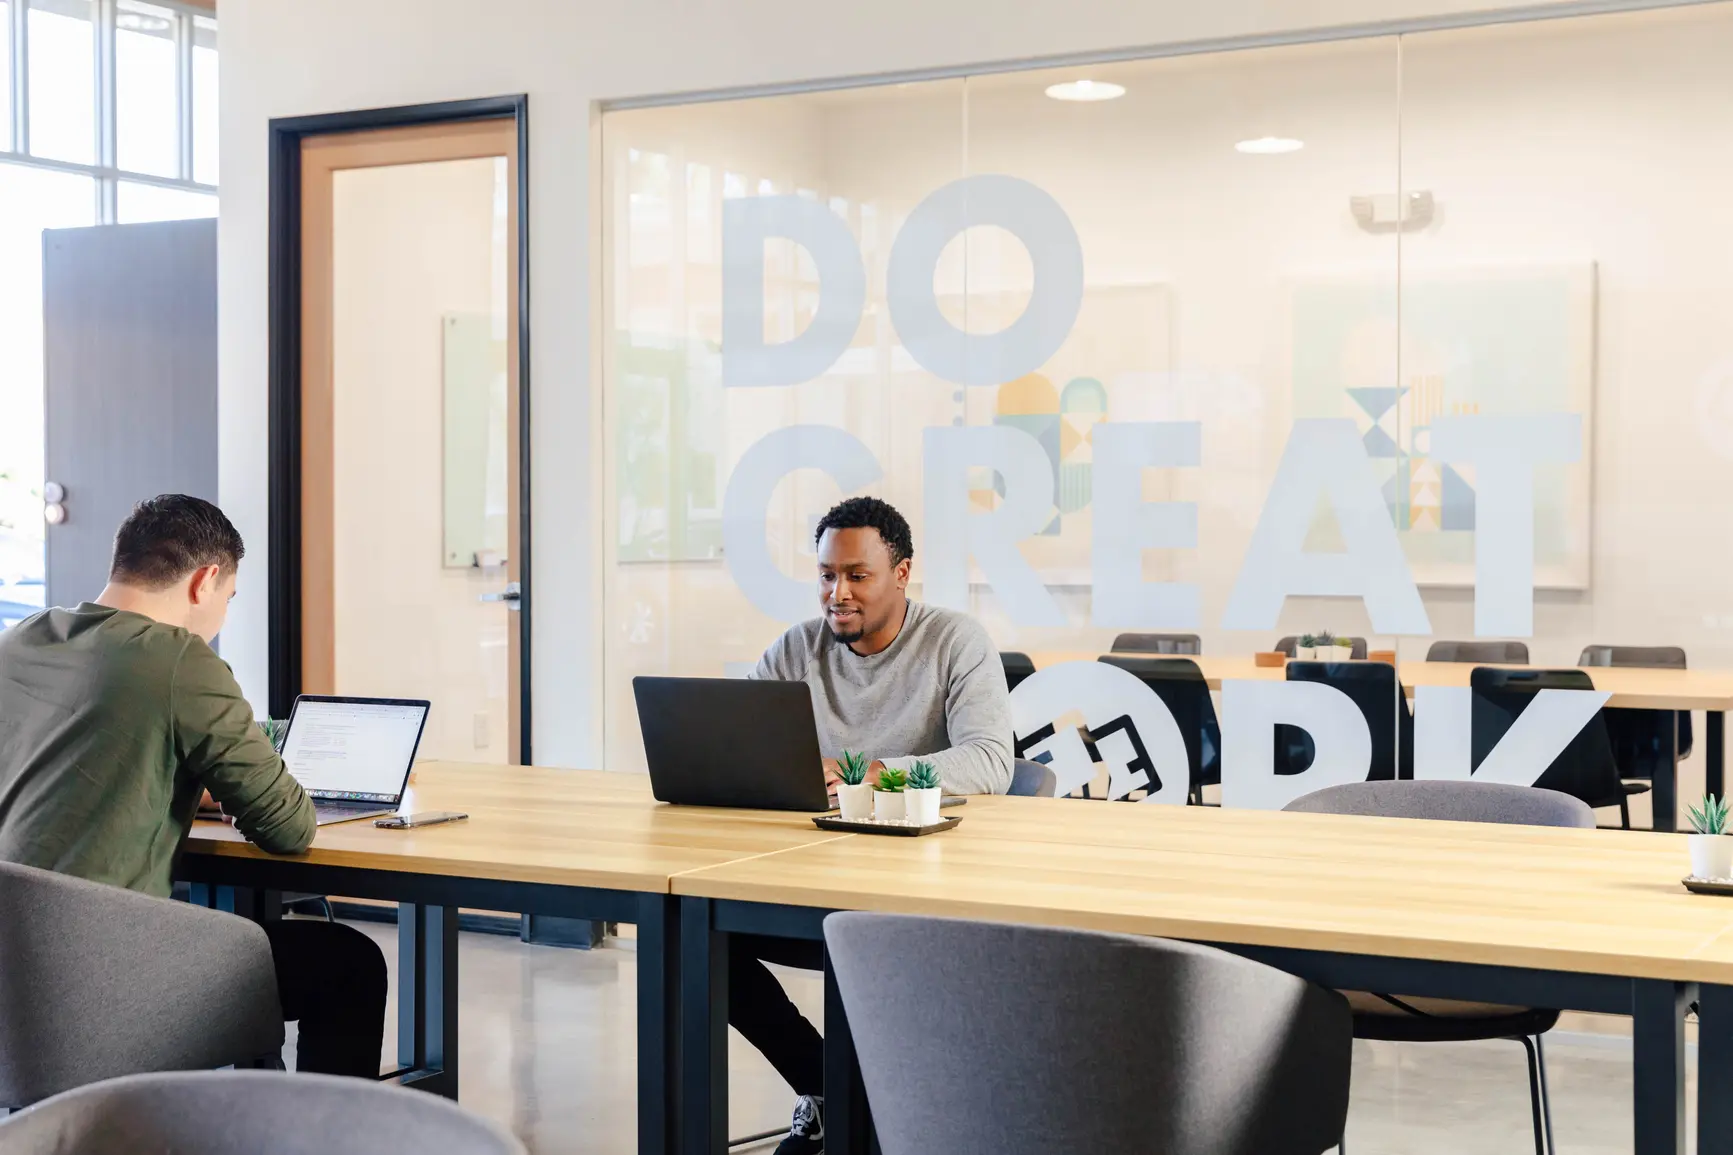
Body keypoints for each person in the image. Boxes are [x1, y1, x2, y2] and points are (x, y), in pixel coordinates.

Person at [0, 494, 387, 1078]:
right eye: (229, 598)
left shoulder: (24, 639)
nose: (223, 615)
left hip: (13, 969)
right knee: (349, 962)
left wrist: (183, 782)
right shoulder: (178, 658)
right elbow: (288, 827)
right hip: (100, 977)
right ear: (206, 580)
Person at [739, 495, 1013, 1154]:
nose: (838, 592)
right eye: (827, 574)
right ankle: (837, 1089)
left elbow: (989, 761)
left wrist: (866, 773)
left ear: (902, 572)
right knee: (696, 936)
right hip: (810, 876)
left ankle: (850, 1100)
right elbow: (741, 741)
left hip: (927, 889)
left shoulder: (955, 641)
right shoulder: (795, 648)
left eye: (857, 575)